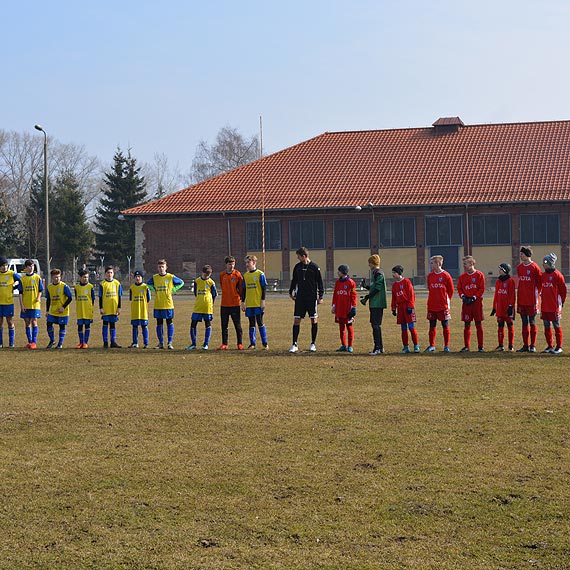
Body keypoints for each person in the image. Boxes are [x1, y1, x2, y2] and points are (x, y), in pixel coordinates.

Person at [288, 246, 324, 353]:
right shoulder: (297, 267)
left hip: (311, 298)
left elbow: (320, 283)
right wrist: (291, 292)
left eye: (299, 256)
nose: (298, 258)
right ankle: (294, 344)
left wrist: (320, 296)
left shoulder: (314, 267)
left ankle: (313, 343)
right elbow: (294, 281)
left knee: (313, 319)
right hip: (300, 298)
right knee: (297, 320)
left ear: (304, 256)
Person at [147, 259, 184, 349]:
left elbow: (181, 282)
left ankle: (169, 343)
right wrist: (153, 289)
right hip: (158, 304)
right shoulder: (155, 277)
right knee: (159, 323)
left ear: (166, 267)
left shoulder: (170, 277)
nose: (161, 268)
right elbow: (148, 284)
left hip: (168, 304)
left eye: (162, 267)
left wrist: (173, 289)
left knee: (169, 322)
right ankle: (160, 343)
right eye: (159, 267)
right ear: (157, 268)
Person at [425, 255, 454, 353]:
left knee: (445, 325)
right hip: (432, 305)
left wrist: (446, 301)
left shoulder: (446, 275)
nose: (430, 265)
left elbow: (450, 291)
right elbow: (430, 288)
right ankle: (432, 345)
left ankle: (446, 346)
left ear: (438, 264)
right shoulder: (430, 276)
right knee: (432, 325)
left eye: (432, 263)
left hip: (443, 306)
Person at [457, 255, 486, 352]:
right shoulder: (462, 277)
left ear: (472, 264)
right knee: (467, 324)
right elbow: (459, 288)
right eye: (463, 264)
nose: (464, 266)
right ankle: (467, 346)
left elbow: (481, 288)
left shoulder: (479, 275)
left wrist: (474, 297)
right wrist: (463, 296)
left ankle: (480, 346)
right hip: (466, 304)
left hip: (476, 303)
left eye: (466, 264)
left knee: (478, 324)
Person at [360, 254, 387, 355]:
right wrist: (366, 286)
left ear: (373, 263)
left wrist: (367, 297)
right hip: (374, 303)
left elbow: (377, 289)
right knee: (375, 325)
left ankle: (378, 347)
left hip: (377, 303)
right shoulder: (375, 273)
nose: (369, 265)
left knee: (376, 325)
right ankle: (380, 347)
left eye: (370, 263)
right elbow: (373, 288)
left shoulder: (378, 273)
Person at [516, 246, 542, 352]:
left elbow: (539, 284)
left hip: (532, 300)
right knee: (524, 322)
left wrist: (537, 296)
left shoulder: (535, 267)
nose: (520, 256)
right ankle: (525, 345)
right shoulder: (519, 267)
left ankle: (533, 345)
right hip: (522, 300)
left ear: (527, 255)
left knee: (532, 321)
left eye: (522, 254)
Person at [539, 253, 566, 354]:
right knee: (546, 325)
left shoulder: (557, 275)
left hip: (554, 305)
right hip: (545, 305)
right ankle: (550, 345)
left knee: (556, 325)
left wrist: (561, 302)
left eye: (545, 262)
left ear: (551, 263)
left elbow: (563, 291)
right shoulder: (543, 275)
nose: (543, 264)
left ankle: (559, 347)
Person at [186, 265, 217, 350]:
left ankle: (205, 344)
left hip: (207, 307)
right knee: (193, 324)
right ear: (202, 272)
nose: (207, 276)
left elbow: (214, 295)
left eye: (209, 274)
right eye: (206, 274)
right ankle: (193, 344)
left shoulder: (211, 283)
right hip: (198, 307)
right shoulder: (197, 281)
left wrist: (211, 304)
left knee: (207, 324)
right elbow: (196, 293)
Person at [241, 254, 268, 349]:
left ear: (254, 263)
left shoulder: (260, 274)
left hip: (258, 303)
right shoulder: (246, 275)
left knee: (260, 322)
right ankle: (252, 343)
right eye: (246, 263)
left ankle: (265, 343)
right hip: (250, 304)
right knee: (251, 323)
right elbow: (243, 290)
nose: (247, 264)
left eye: (249, 262)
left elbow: (264, 288)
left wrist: (263, 301)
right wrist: (243, 302)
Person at [391, 265, 420, 353]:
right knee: (403, 328)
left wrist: (410, 306)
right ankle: (406, 346)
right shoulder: (394, 285)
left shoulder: (407, 282)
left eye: (394, 273)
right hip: (400, 307)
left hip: (407, 306)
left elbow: (411, 295)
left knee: (411, 327)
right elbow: (394, 298)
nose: (393, 274)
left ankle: (416, 346)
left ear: (398, 273)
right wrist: (393, 308)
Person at [218, 255, 244, 350]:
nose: (232, 266)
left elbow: (241, 288)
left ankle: (239, 343)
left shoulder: (237, 274)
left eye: (233, 264)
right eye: (230, 264)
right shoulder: (222, 275)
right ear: (226, 264)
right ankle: (224, 343)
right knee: (224, 325)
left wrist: (241, 299)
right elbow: (222, 286)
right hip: (224, 304)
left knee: (237, 325)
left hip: (235, 304)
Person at [331, 264, 357, 353]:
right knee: (341, 327)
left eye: (339, 271)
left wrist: (353, 307)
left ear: (342, 272)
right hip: (339, 308)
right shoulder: (338, 282)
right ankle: (343, 345)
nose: (337, 272)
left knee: (349, 326)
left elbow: (353, 296)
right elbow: (335, 294)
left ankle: (350, 345)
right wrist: (334, 306)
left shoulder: (351, 282)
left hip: (347, 309)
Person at [18, 259, 43, 349]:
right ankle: (29, 341)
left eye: (32, 266)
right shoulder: (23, 279)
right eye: (29, 266)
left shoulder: (37, 278)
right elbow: (20, 293)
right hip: (26, 304)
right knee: (27, 322)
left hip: (35, 304)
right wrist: (22, 305)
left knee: (34, 321)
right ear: (26, 268)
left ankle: (34, 342)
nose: (31, 267)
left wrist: (38, 297)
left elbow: (40, 290)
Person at [45, 268, 73, 349]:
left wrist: (63, 307)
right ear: (52, 278)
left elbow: (70, 298)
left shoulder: (64, 286)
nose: (57, 279)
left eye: (59, 277)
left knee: (62, 326)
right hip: (53, 311)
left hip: (62, 311)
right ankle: (52, 340)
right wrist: (47, 310)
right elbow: (48, 299)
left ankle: (60, 344)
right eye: (55, 277)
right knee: (49, 324)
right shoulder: (49, 287)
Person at [491, 263, 516, 351]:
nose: (499, 271)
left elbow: (512, 295)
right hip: (500, 308)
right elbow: (496, 295)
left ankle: (510, 345)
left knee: (510, 325)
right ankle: (501, 345)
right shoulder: (498, 281)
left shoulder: (510, 281)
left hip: (507, 308)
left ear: (505, 270)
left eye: (501, 269)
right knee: (500, 326)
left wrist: (510, 306)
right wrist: (494, 307)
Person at [99, 266, 122, 348]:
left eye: (111, 272)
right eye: (108, 273)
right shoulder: (102, 284)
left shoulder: (117, 283)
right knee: (105, 324)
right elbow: (100, 297)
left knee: (113, 325)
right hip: (106, 308)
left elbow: (119, 296)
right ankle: (105, 342)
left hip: (114, 308)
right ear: (105, 274)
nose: (109, 274)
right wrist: (101, 307)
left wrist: (119, 307)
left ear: (113, 274)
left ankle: (113, 342)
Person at [0, 255, 20, 348]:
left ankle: (11, 343)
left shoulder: (12, 274)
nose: (4, 267)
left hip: (8, 302)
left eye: (6, 265)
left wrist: (15, 287)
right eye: (2, 265)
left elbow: (22, 280)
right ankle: (0, 343)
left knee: (10, 322)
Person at [129, 270, 151, 348]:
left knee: (144, 326)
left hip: (143, 311)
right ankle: (135, 343)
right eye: (136, 277)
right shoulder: (132, 287)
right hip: (135, 311)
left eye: (139, 277)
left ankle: (146, 343)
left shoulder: (145, 287)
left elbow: (148, 299)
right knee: (135, 326)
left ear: (142, 278)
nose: (138, 278)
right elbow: (131, 298)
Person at [74, 268, 95, 349]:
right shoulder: (77, 287)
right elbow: (76, 297)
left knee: (87, 326)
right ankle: (80, 342)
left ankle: (85, 342)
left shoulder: (90, 287)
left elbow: (92, 299)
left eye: (87, 277)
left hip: (87, 310)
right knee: (79, 326)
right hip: (80, 310)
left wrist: (91, 307)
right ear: (80, 278)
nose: (85, 279)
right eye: (84, 277)